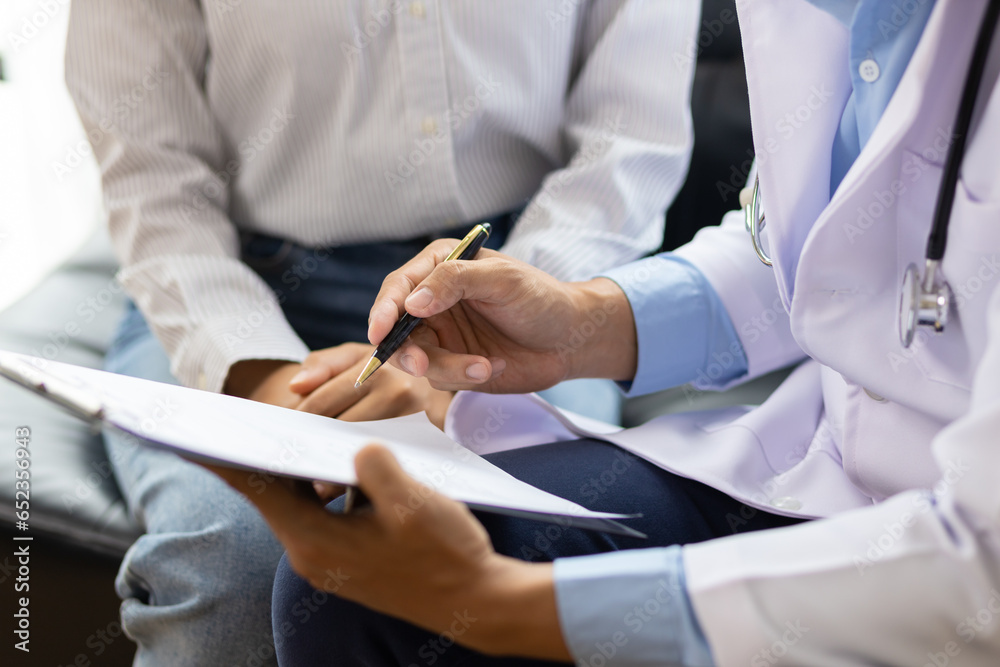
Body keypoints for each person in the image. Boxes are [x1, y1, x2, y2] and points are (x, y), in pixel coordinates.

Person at [211, 0, 1000, 664]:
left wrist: (500, 603)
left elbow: (982, 575)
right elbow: (799, 249)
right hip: (827, 467)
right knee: (358, 582)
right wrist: (584, 323)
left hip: (952, 549)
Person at [64, 1, 699, 664]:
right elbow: (153, 180)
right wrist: (273, 382)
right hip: (230, 289)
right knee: (235, 557)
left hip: (526, 279)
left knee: (529, 533)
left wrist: (486, 343)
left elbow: (629, 144)